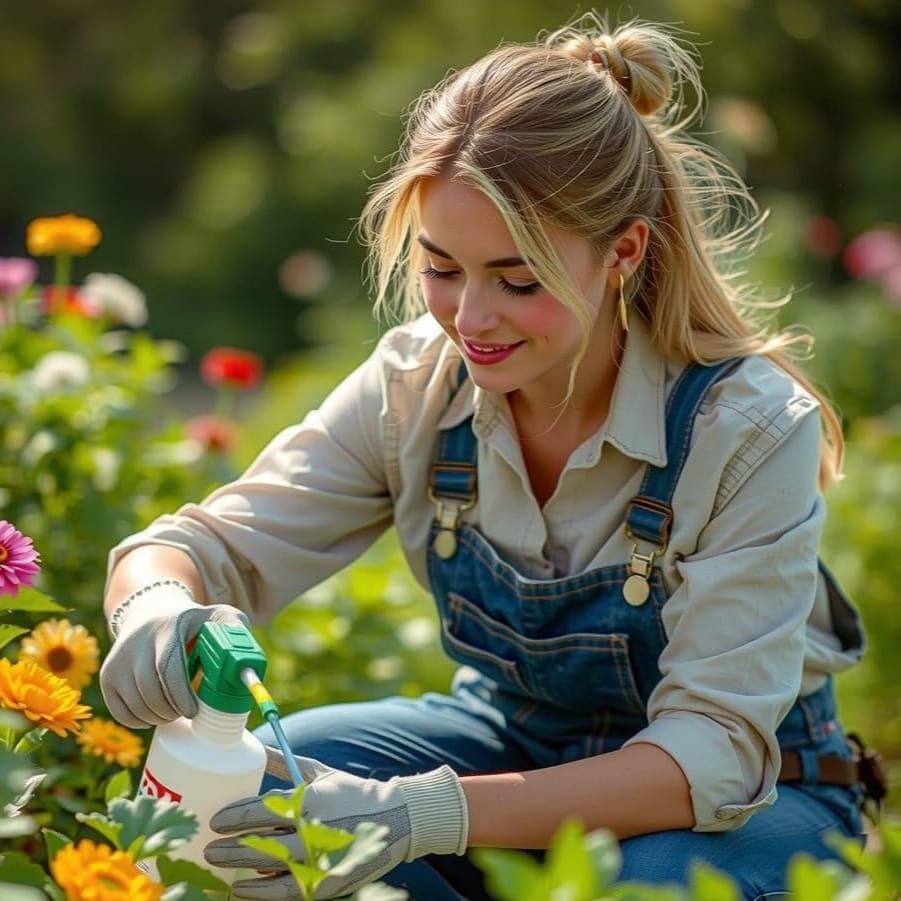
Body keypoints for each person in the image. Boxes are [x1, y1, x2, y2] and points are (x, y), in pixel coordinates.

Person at [99, 12, 878, 901]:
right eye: (440, 269)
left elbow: (709, 757)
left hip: (745, 793)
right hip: (505, 742)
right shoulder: (416, 389)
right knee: (265, 793)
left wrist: (425, 815)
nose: (469, 320)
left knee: (645, 891)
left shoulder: (747, 427)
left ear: (622, 251)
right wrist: (157, 603)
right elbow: (208, 545)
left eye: (516, 280)